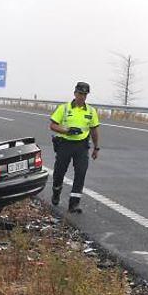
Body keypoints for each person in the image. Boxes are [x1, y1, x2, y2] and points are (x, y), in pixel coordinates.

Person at [49, 82, 100, 213]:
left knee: (80, 173)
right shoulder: (64, 108)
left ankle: (74, 204)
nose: (82, 96)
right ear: (75, 93)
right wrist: (66, 130)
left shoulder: (91, 111)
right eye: (80, 93)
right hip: (65, 144)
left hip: (81, 146)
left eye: (85, 94)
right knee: (59, 173)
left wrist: (96, 148)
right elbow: (53, 125)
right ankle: (56, 193)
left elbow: (94, 130)